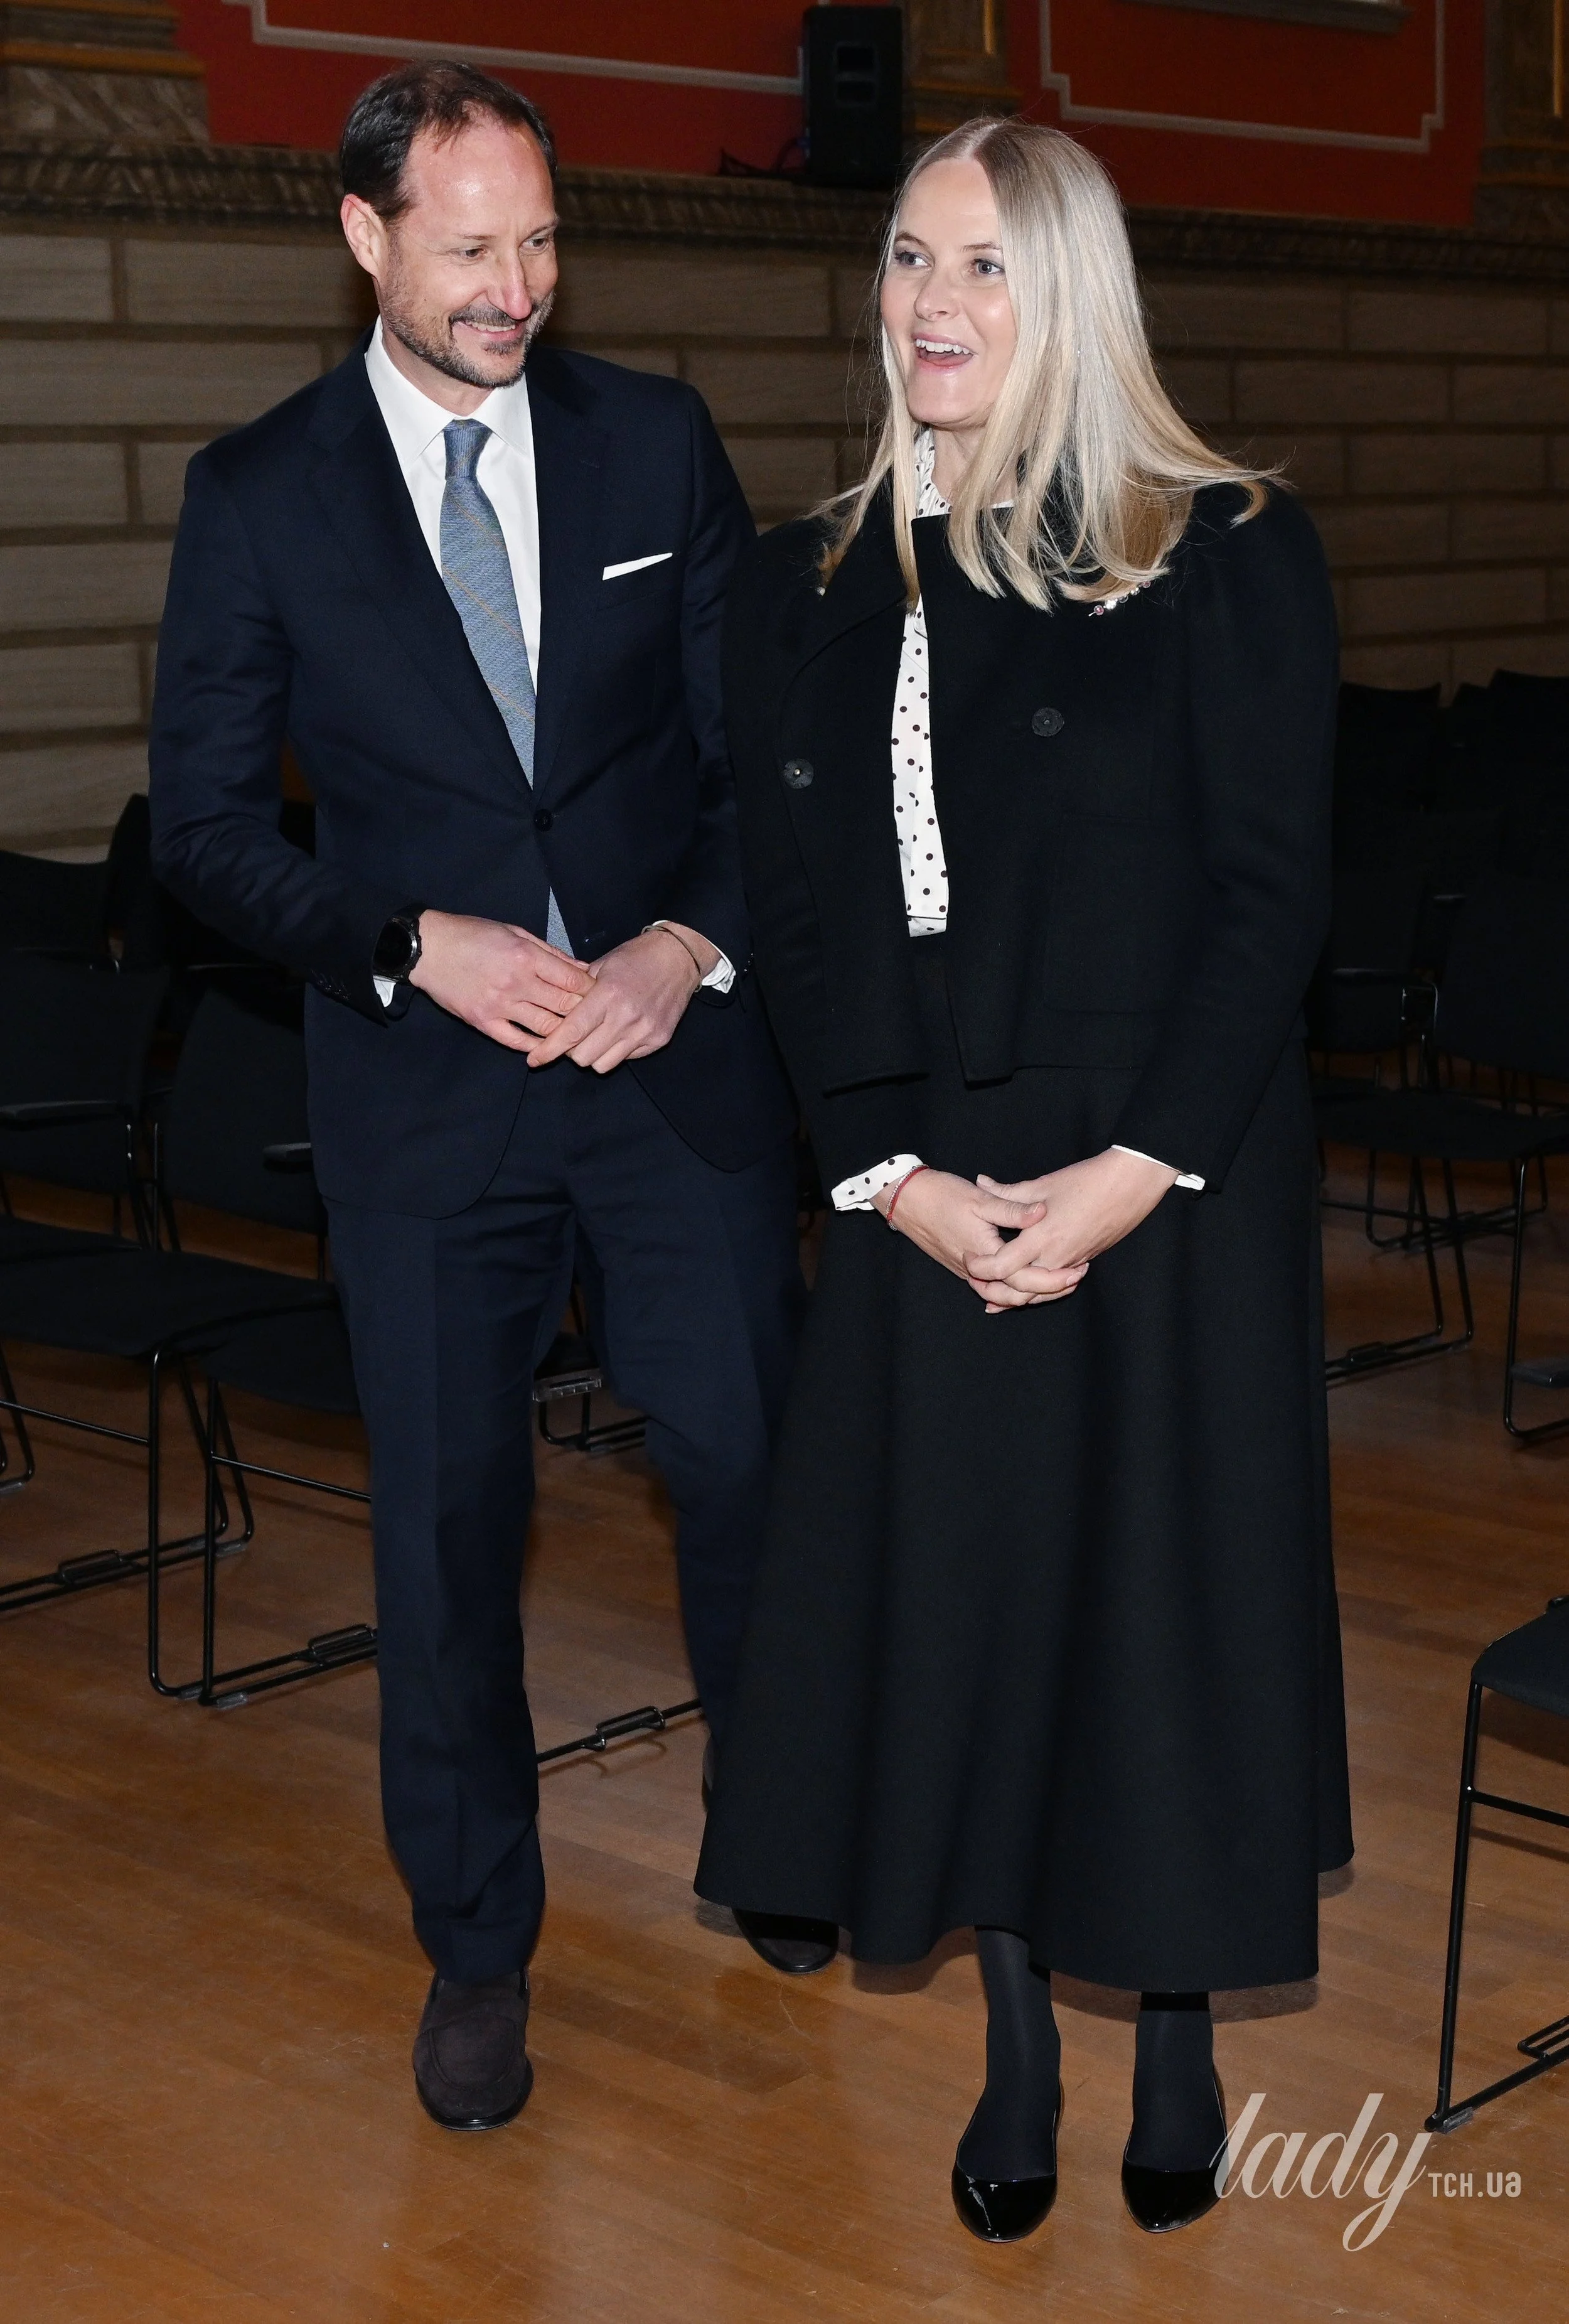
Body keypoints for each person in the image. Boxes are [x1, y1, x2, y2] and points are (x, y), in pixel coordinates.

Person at [697, 116, 1353, 2242]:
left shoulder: (1220, 545)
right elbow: (790, 920)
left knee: (1147, 1618)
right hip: (916, 1172)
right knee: (963, 1615)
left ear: (1066, 291)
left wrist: (1127, 1170)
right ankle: (1010, 2044)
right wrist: (883, 1176)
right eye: (903, 260)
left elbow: (1270, 899)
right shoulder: (804, 578)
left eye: (980, 266)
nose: (931, 306)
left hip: (1167, 1176)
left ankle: (1168, 2026)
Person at [149, 62, 805, 2134]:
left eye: (539, 239)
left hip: (666, 1076)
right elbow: (198, 826)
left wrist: (679, 949)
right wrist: (403, 939)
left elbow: (748, 766)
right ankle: (477, 1951)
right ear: (364, 237)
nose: (517, 286)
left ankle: (779, 1826)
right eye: (468, 249)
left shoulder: (655, 440)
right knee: (446, 1535)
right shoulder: (258, 495)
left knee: (743, 1460)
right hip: (426, 1101)